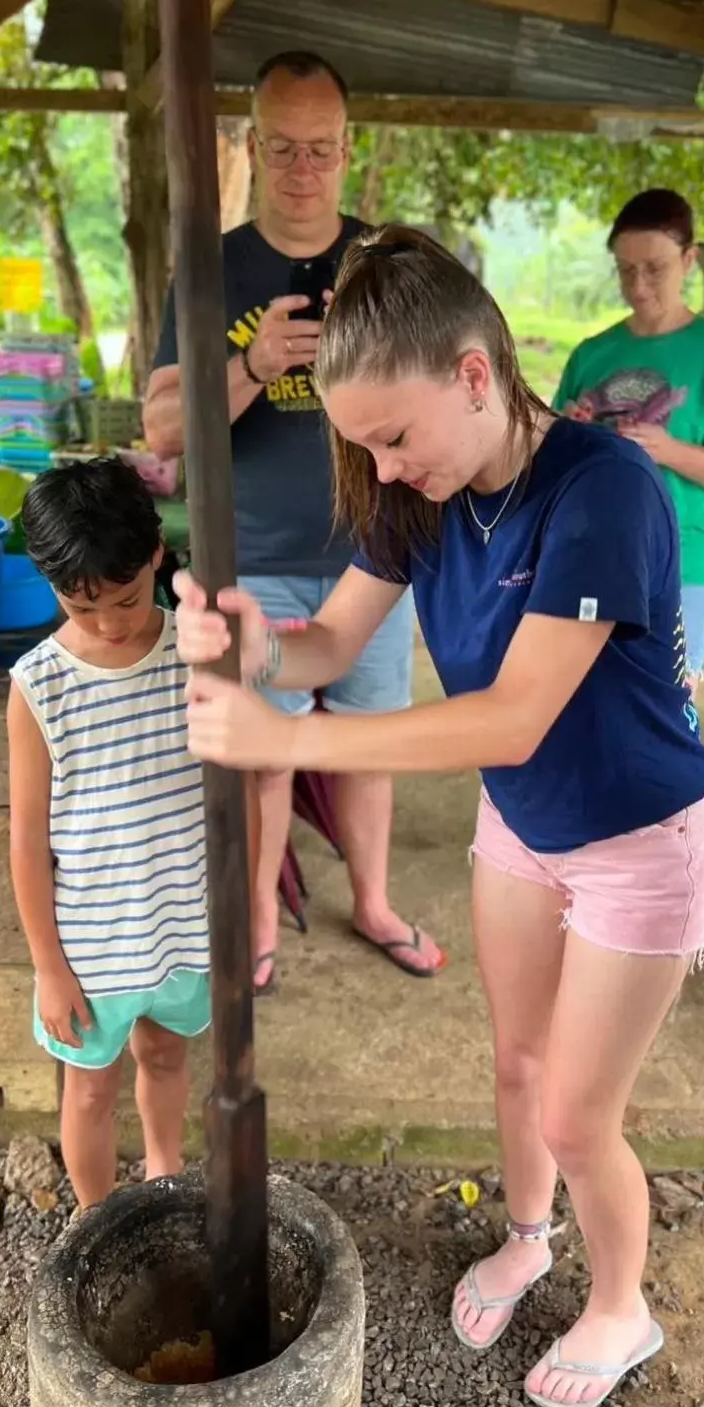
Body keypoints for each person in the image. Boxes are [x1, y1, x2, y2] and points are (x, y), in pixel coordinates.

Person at [174, 224, 704, 1407]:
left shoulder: (601, 488)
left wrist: (291, 738)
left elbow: (511, 716)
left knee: (581, 1108)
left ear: (475, 373)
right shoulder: (415, 493)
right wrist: (252, 640)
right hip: (525, 823)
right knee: (518, 1060)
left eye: (392, 435)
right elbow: (326, 640)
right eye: (360, 441)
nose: (380, 464)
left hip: (638, 835)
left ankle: (621, 1301)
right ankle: (528, 1234)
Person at [143, 50, 441, 993]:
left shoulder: (385, 260)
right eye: (284, 149)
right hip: (253, 558)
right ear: (251, 146)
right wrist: (253, 363)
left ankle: (376, 904)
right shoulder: (212, 266)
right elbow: (159, 427)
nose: (303, 169)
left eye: (321, 149)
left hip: (375, 556)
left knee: (370, 748)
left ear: (350, 150)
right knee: (263, 759)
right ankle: (261, 920)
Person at [7, 457, 209, 1210]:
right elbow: (28, 842)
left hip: (182, 923)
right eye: (81, 607)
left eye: (125, 601)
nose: (110, 624)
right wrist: (48, 967)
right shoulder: (38, 686)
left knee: (164, 1054)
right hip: (89, 946)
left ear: (157, 552)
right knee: (89, 1091)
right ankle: (94, 1223)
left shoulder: (198, 649)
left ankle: (164, 1175)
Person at [553, 189, 704, 690]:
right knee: (585, 702)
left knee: (666, 708)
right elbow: (550, 454)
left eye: (655, 268)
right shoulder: (592, 353)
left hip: (680, 562)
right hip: (591, 553)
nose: (638, 286)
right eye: (625, 270)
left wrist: (667, 450)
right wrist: (570, 429)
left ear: (689, 260)